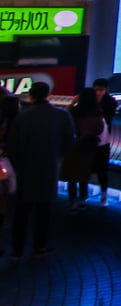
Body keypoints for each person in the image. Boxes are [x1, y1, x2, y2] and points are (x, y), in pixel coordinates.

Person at [6, 81, 74, 260]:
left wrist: (19, 166)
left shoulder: (22, 118)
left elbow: (12, 147)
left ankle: (17, 250)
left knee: (21, 213)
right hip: (49, 169)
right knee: (44, 212)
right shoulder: (62, 116)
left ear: (31, 96)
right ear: (48, 95)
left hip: (26, 171)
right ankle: (39, 247)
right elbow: (69, 143)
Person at [61, 86, 104, 210]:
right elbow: (99, 129)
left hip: (74, 144)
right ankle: (83, 198)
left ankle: (72, 200)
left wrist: (73, 102)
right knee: (84, 172)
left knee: (72, 173)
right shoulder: (97, 111)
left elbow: (66, 118)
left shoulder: (75, 111)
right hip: (89, 145)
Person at [91, 78, 116, 205]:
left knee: (102, 169)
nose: (98, 93)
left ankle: (104, 194)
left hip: (103, 140)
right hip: (92, 139)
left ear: (106, 90)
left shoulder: (110, 102)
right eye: (96, 90)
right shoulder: (89, 101)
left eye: (101, 90)